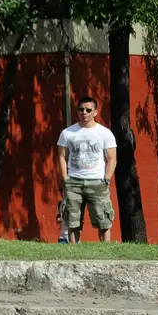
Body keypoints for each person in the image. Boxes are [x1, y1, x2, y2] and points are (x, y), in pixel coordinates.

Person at [57, 96, 117, 243]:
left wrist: (106, 179)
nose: (84, 112)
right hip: (74, 182)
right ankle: (74, 252)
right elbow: (62, 157)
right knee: (72, 221)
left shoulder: (104, 133)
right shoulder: (67, 133)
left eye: (88, 110)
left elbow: (112, 159)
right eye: (81, 109)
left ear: (95, 112)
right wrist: (66, 178)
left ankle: (106, 251)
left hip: (97, 182)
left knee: (103, 220)